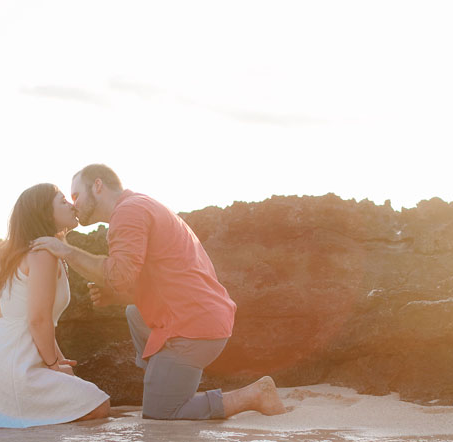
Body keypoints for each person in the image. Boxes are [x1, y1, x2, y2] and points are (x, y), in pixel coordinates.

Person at [31, 164, 286, 420]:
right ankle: (165, 381)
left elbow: (119, 276)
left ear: (98, 186)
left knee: (160, 413)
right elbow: (155, 281)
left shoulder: (129, 212)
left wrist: (67, 251)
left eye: (76, 196)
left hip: (194, 327)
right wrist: (117, 295)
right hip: (201, 316)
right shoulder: (137, 206)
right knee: (133, 312)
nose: (73, 204)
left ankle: (254, 394)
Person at [0, 183, 111, 428]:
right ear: (45, 213)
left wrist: (60, 364)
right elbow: (37, 320)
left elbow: (42, 321)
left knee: (88, 399)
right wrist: (53, 365)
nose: (72, 206)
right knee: (98, 405)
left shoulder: (38, 250)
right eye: (63, 201)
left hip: (3, 363)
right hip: (15, 369)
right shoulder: (42, 253)